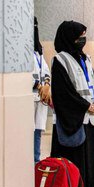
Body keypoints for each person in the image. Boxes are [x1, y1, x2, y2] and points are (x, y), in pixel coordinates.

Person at [50, 21, 94, 187]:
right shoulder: (60, 60)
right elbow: (63, 92)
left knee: (90, 159)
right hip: (73, 118)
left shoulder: (86, 58)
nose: (82, 39)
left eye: (84, 35)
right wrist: (84, 106)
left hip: (88, 117)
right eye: (79, 35)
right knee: (75, 158)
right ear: (69, 37)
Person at [33, 17, 51, 163]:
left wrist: (46, 84)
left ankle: (36, 161)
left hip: (40, 98)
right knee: (30, 131)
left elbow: (45, 69)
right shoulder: (22, 50)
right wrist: (39, 87)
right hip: (31, 96)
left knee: (38, 131)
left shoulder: (38, 50)